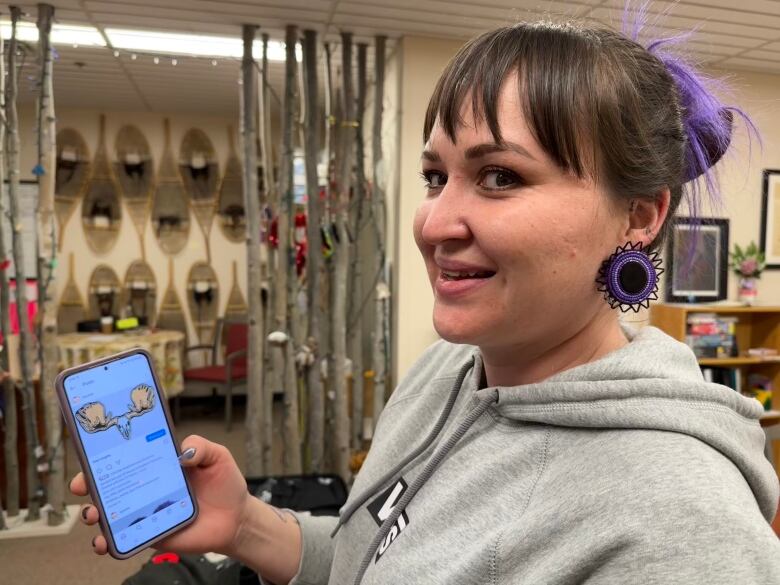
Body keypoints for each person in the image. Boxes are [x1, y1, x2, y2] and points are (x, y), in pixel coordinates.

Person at [70, 17, 780, 585]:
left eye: (500, 176)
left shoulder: (676, 528)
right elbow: (370, 556)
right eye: (436, 175)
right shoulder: (447, 370)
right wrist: (245, 524)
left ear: (639, 216)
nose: (434, 223)